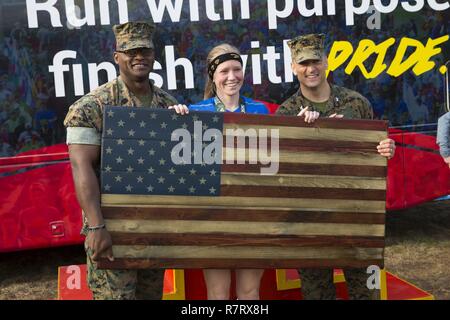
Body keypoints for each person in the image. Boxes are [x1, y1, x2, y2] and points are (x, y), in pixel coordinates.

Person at [63, 21, 182, 300]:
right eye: (130, 51)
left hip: (154, 228)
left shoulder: (169, 105)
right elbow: (81, 167)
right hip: (112, 229)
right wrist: (96, 226)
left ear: (154, 56)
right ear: (117, 57)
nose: (139, 57)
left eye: (145, 51)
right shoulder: (92, 106)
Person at [276, 33, 396, 300]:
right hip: (311, 222)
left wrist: (386, 148)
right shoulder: (286, 113)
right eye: (303, 63)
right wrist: (297, 133)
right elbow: (280, 174)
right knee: (317, 293)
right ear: (294, 67)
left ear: (326, 62)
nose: (311, 69)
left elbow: (376, 150)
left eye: (316, 61)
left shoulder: (357, 103)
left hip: (357, 218)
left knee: (366, 292)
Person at [186, 43, 269, 300]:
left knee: (249, 291)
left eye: (237, 69)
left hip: (253, 212)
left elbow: (271, 161)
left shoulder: (260, 110)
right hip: (213, 215)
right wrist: (176, 122)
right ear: (213, 75)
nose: (232, 76)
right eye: (224, 71)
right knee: (218, 292)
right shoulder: (196, 112)